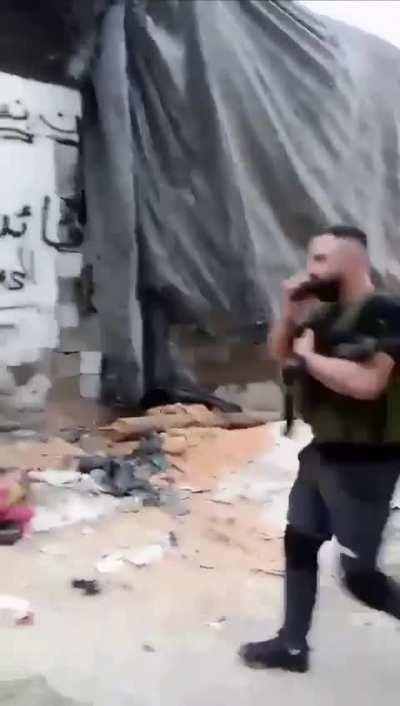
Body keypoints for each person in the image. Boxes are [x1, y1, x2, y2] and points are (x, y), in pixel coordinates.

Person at [240, 225, 400, 674]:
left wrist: (312, 358)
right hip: (322, 453)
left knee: (361, 578)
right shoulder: (325, 318)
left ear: (353, 262)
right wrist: (289, 313)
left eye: (321, 261)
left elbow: (369, 385)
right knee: (301, 541)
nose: (310, 271)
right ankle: (292, 646)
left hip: (365, 463)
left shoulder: (385, 313)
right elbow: (283, 355)